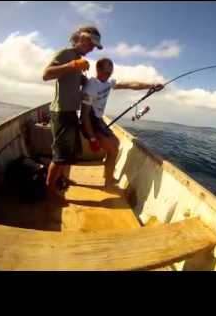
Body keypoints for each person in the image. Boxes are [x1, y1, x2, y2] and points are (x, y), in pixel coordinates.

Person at [80, 58, 164, 187]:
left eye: (110, 73)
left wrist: (151, 85)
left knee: (116, 143)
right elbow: (84, 115)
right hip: (89, 120)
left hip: (98, 119)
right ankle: (108, 182)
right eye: (106, 72)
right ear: (98, 69)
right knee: (113, 148)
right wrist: (92, 139)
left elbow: (129, 85)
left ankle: (106, 175)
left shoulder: (108, 83)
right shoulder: (91, 85)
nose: (108, 75)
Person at [42, 25, 103, 200]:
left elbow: (73, 80)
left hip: (71, 112)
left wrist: (86, 80)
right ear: (81, 38)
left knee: (68, 153)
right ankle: (49, 191)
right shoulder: (66, 54)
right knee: (60, 155)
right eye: (91, 43)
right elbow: (46, 74)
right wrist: (73, 64)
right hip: (61, 112)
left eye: (95, 46)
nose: (92, 48)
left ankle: (59, 179)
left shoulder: (78, 58)